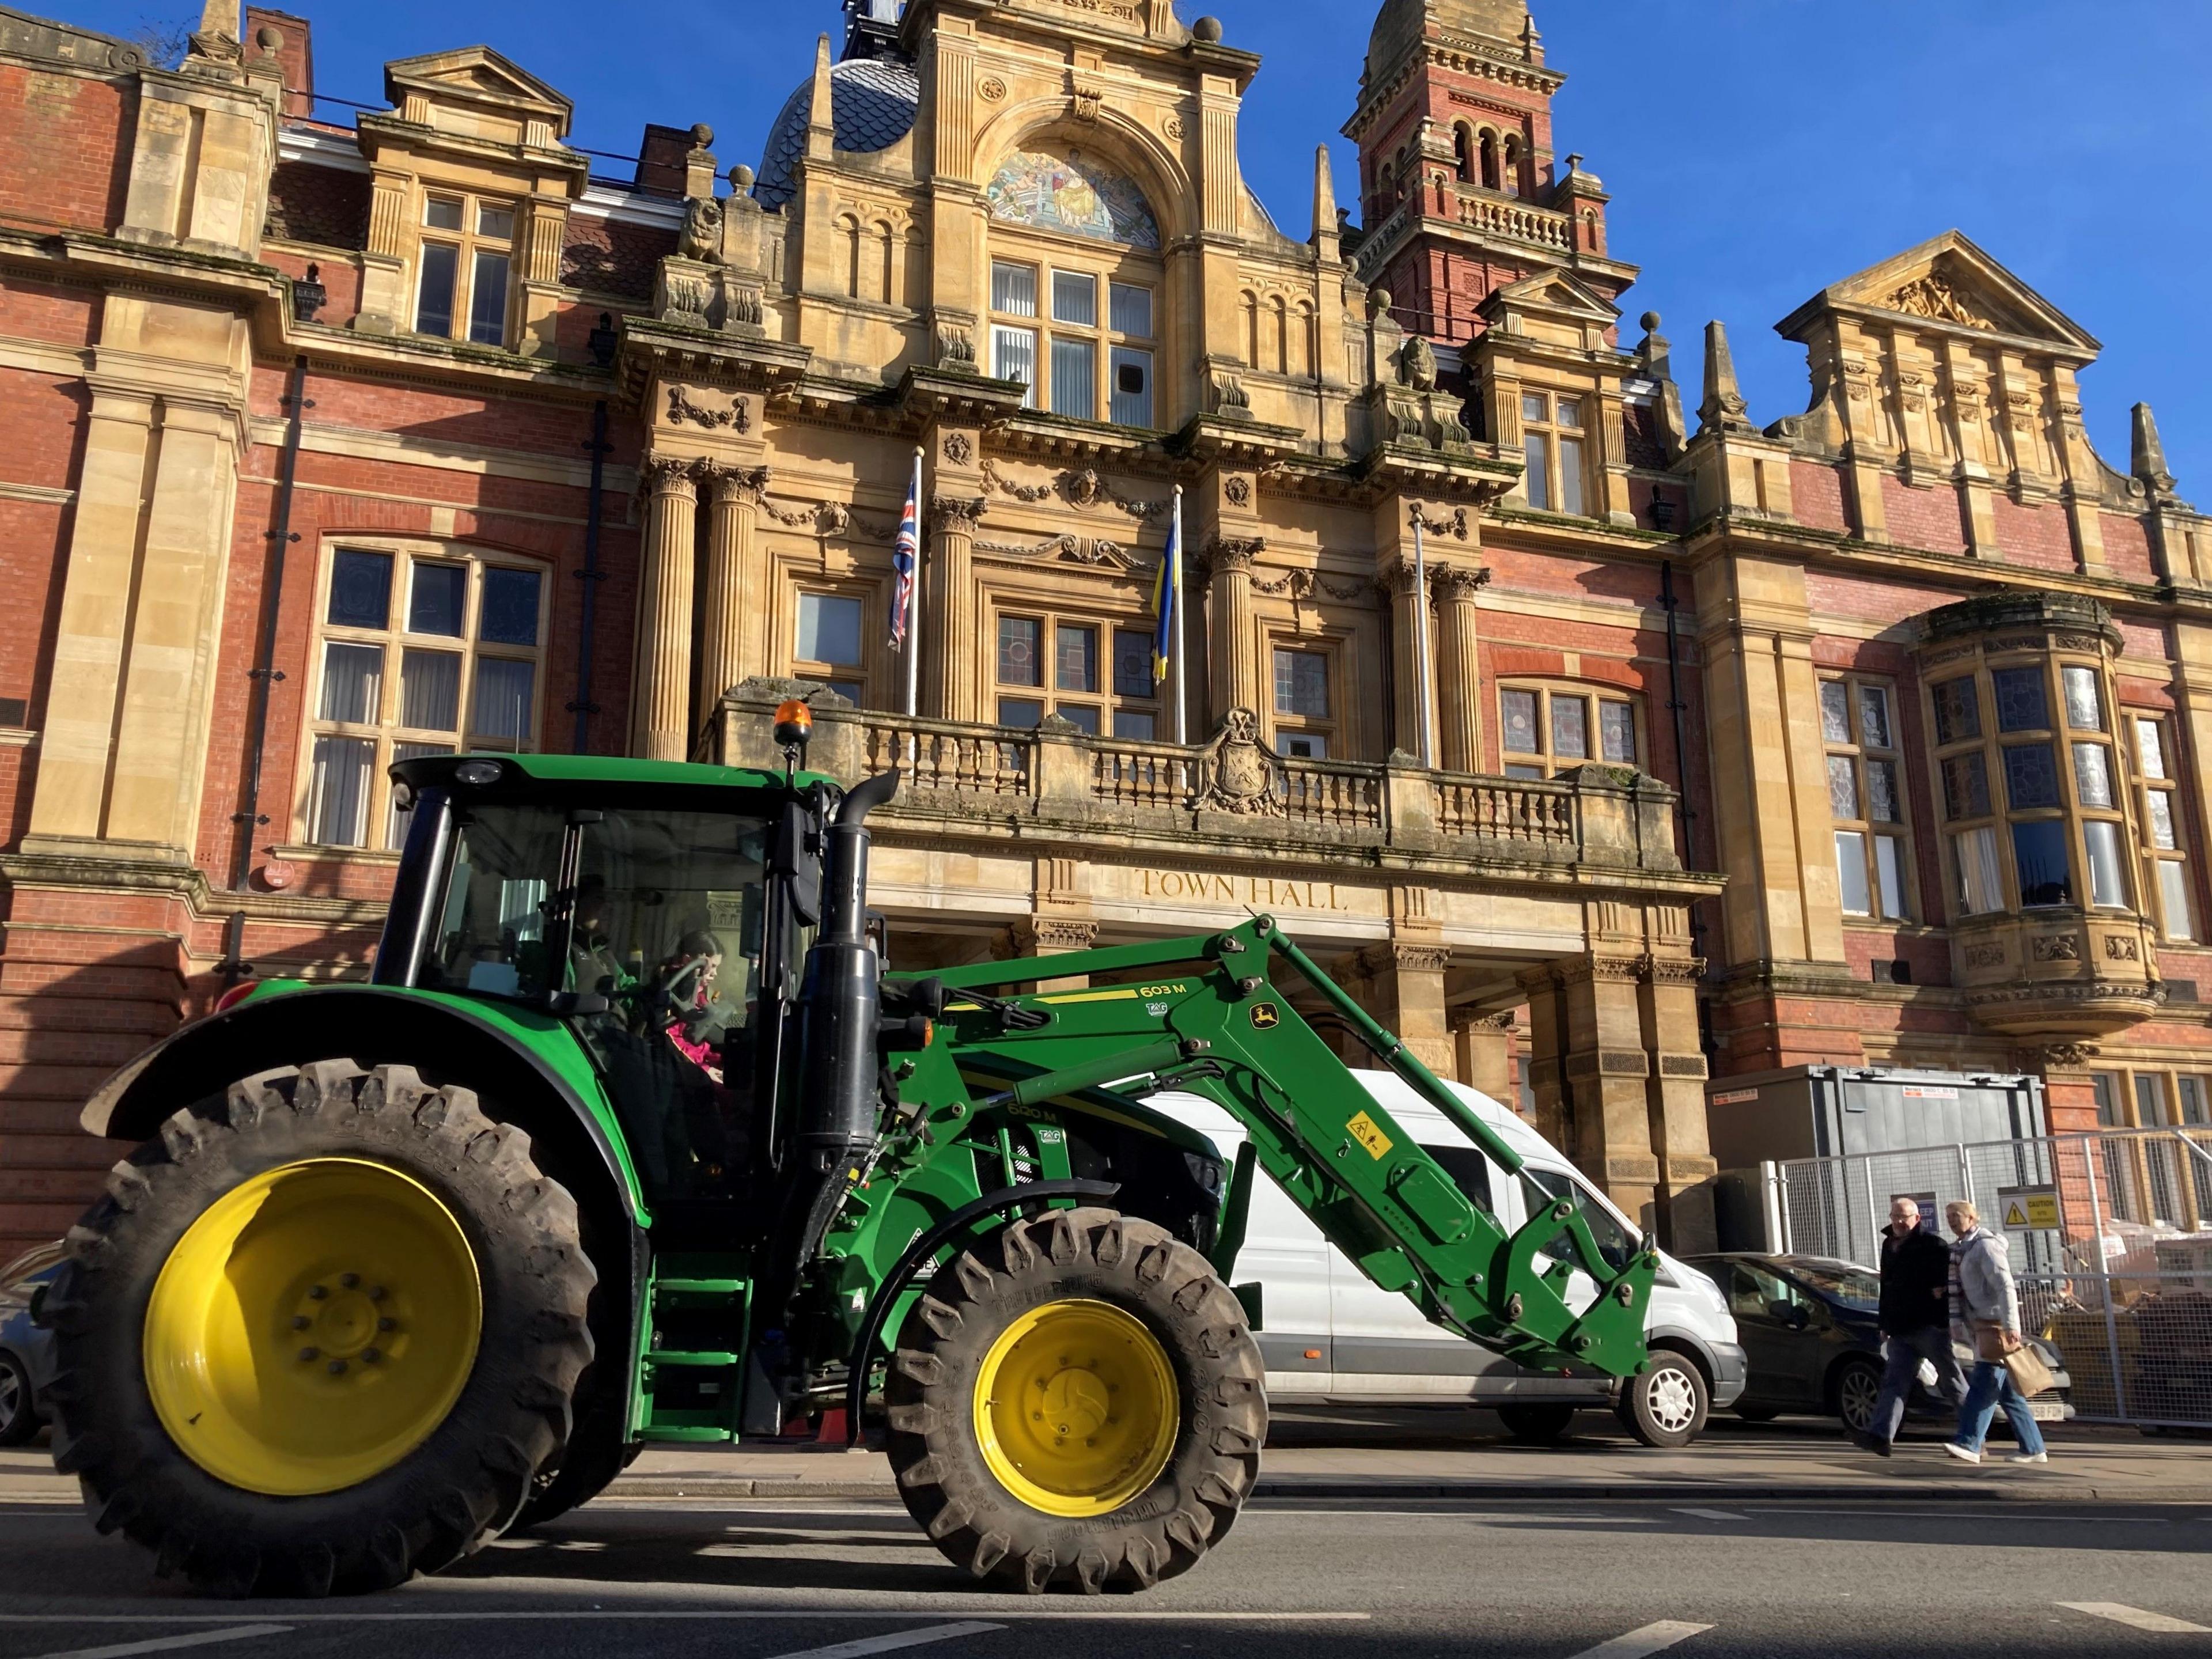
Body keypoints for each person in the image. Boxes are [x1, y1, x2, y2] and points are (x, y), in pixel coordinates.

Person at [1853, 1196, 1966, 1455]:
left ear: (1917, 1219)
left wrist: (1942, 1316)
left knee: (1952, 1381)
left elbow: (1946, 1286)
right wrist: (1885, 1322)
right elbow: (1887, 1288)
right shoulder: (1888, 1244)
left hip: (1929, 1327)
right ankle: (1881, 1437)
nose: (1899, 1222)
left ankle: (1974, 1434)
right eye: (1895, 1216)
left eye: (1905, 1217)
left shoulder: (1932, 1245)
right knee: (1894, 1382)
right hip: (1900, 1329)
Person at [1942, 1199, 2050, 1466]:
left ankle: (1969, 1442)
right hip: (1981, 1326)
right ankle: (2033, 1447)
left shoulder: (1986, 1247)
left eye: (1956, 1215)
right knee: (2008, 1393)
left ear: (1972, 1218)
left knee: (1984, 1384)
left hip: (1997, 1327)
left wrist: (2012, 1325)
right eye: (1948, 1217)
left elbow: (2005, 1287)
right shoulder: (1961, 1250)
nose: (1952, 1220)